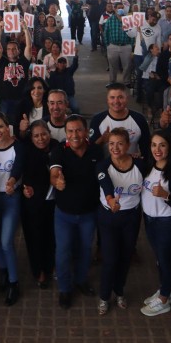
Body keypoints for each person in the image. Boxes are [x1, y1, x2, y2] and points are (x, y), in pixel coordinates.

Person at [50, 114, 102, 309]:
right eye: (70, 131)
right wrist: (57, 181)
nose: (74, 135)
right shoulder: (59, 151)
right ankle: (65, 288)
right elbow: (54, 174)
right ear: (65, 133)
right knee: (63, 252)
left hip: (89, 213)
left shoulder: (96, 150)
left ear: (86, 131)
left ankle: (81, 280)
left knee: (85, 250)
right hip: (64, 214)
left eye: (78, 130)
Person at [94, 128, 144, 314]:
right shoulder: (102, 165)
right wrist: (110, 200)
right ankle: (104, 296)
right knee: (110, 259)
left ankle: (120, 291)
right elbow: (106, 183)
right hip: (109, 217)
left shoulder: (140, 165)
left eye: (120, 144)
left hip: (131, 217)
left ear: (128, 145)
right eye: (111, 143)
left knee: (125, 257)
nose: (115, 148)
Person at [140, 129, 171, 317]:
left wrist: (165, 195)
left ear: (170, 147)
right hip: (149, 221)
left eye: (162, 145)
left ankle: (164, 299)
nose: (157, 150)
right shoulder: (148, 166)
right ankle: (165, 290)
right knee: (160, 259)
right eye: (154, 145)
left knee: (166, 261)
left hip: (167, 223)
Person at [0, 112, 26, 306]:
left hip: (11, 198)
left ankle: (14, 282)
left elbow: (18, 167)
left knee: (6, 241)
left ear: (8, 127)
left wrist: (12, 180)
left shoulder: (18, 147)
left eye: (0, 127)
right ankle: (4, 271)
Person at [21, 120, 58, 290]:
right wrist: (25, 189)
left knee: (52, 236)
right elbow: (22, 175)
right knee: (35, 238)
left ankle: (52, 266)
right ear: (31, 137)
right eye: (36, 136)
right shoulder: (27, 151)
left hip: (55, 202)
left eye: (44, 134)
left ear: (49, 133)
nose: (41, 138)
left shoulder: (57, 147)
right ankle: (39, 271)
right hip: (34, 203)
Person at [89, 83, 151, 161]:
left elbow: (147, 148)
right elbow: (90, 150)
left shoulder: (139, 119)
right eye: (112, 97)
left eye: (120, 97)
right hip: (106, 166)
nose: (116, 101)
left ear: (127, 98)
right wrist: (102, 140)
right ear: (107, 100)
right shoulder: (97, 120)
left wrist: (140, 157)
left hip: (132, 165)